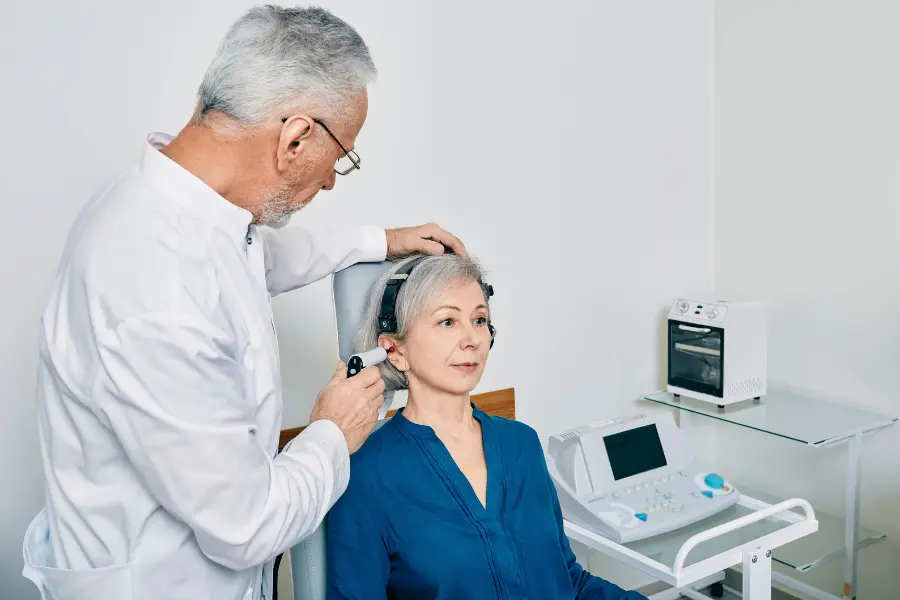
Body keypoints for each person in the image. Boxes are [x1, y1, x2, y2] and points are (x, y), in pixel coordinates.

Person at [22, 6, 467, 600]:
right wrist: (334, 431)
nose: (333, 180)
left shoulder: (178, 212)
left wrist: (380, 240)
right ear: (296, 137)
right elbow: (247, 526)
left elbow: (256, 258)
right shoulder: (152, 284)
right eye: (340, 158)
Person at [326, 254, 647, 600]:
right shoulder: (365, 473)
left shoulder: (521, 443)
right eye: (447, 322)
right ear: (394, 349)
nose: (472, 339)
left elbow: (567, 581)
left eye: (479, 320)